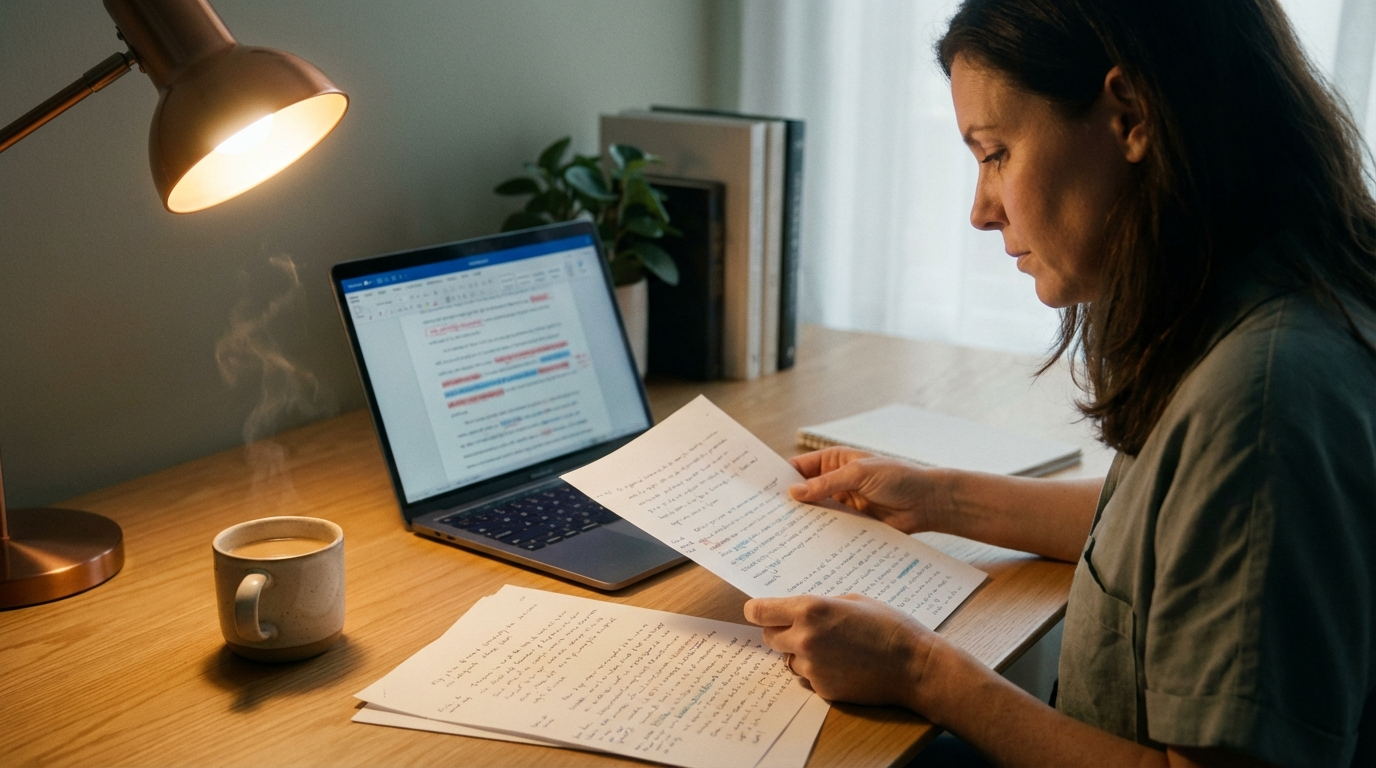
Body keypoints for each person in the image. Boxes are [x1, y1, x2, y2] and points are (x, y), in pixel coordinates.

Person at [742, 1, 1376, 766]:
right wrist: (936, 498)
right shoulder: (1284, 292)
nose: (980, 210)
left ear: (1131, 116)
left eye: (996, 153)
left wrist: (919, 668)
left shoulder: (1262, 400)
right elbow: (1171, 537)